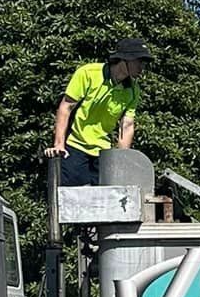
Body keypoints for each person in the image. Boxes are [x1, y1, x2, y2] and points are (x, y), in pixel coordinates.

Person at [48, 38, 152, 187]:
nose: (142, 67)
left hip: (104, 154)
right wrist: (59, 144)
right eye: (139, 61)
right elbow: (66, 107)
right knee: (71, 200)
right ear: (124, 59)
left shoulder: (133, 90)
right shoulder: (88, 74)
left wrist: (121, 161)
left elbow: (127, 125)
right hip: (75, 146)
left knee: (104, 202)